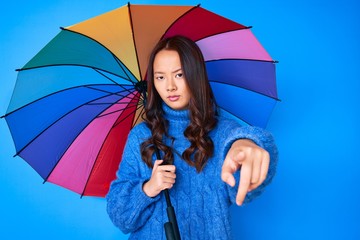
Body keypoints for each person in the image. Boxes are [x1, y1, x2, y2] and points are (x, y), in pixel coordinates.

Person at [106, 35, 278, 240]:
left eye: (179, 75)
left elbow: (244, 182)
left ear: (194, 75)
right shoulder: (141, 136)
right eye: (160, 77)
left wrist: (248, 143)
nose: (169, 86)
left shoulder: (224, 132)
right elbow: (120, 217)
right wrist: (149, 188)